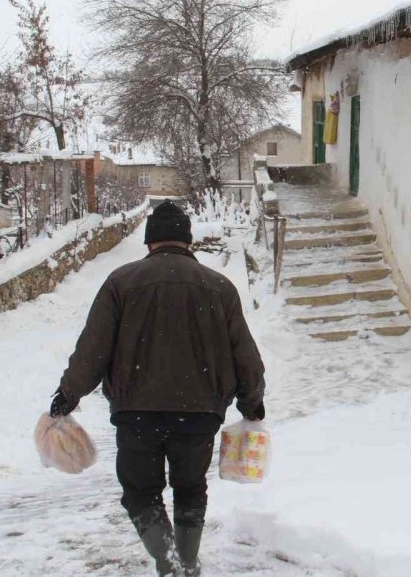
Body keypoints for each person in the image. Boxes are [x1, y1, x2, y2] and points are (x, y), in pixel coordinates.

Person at [50, 199, 266, 577]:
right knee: (190, 490)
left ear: (149, 242)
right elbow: (243, 351)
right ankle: (186, 565)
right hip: (199, 413)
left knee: (141, 493)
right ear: (188, 241)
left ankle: (169, 565)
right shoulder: (219, 288)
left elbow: (93, 347)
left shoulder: (121, 283)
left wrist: (69, 393)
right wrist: (252, 401)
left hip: (137, 414)